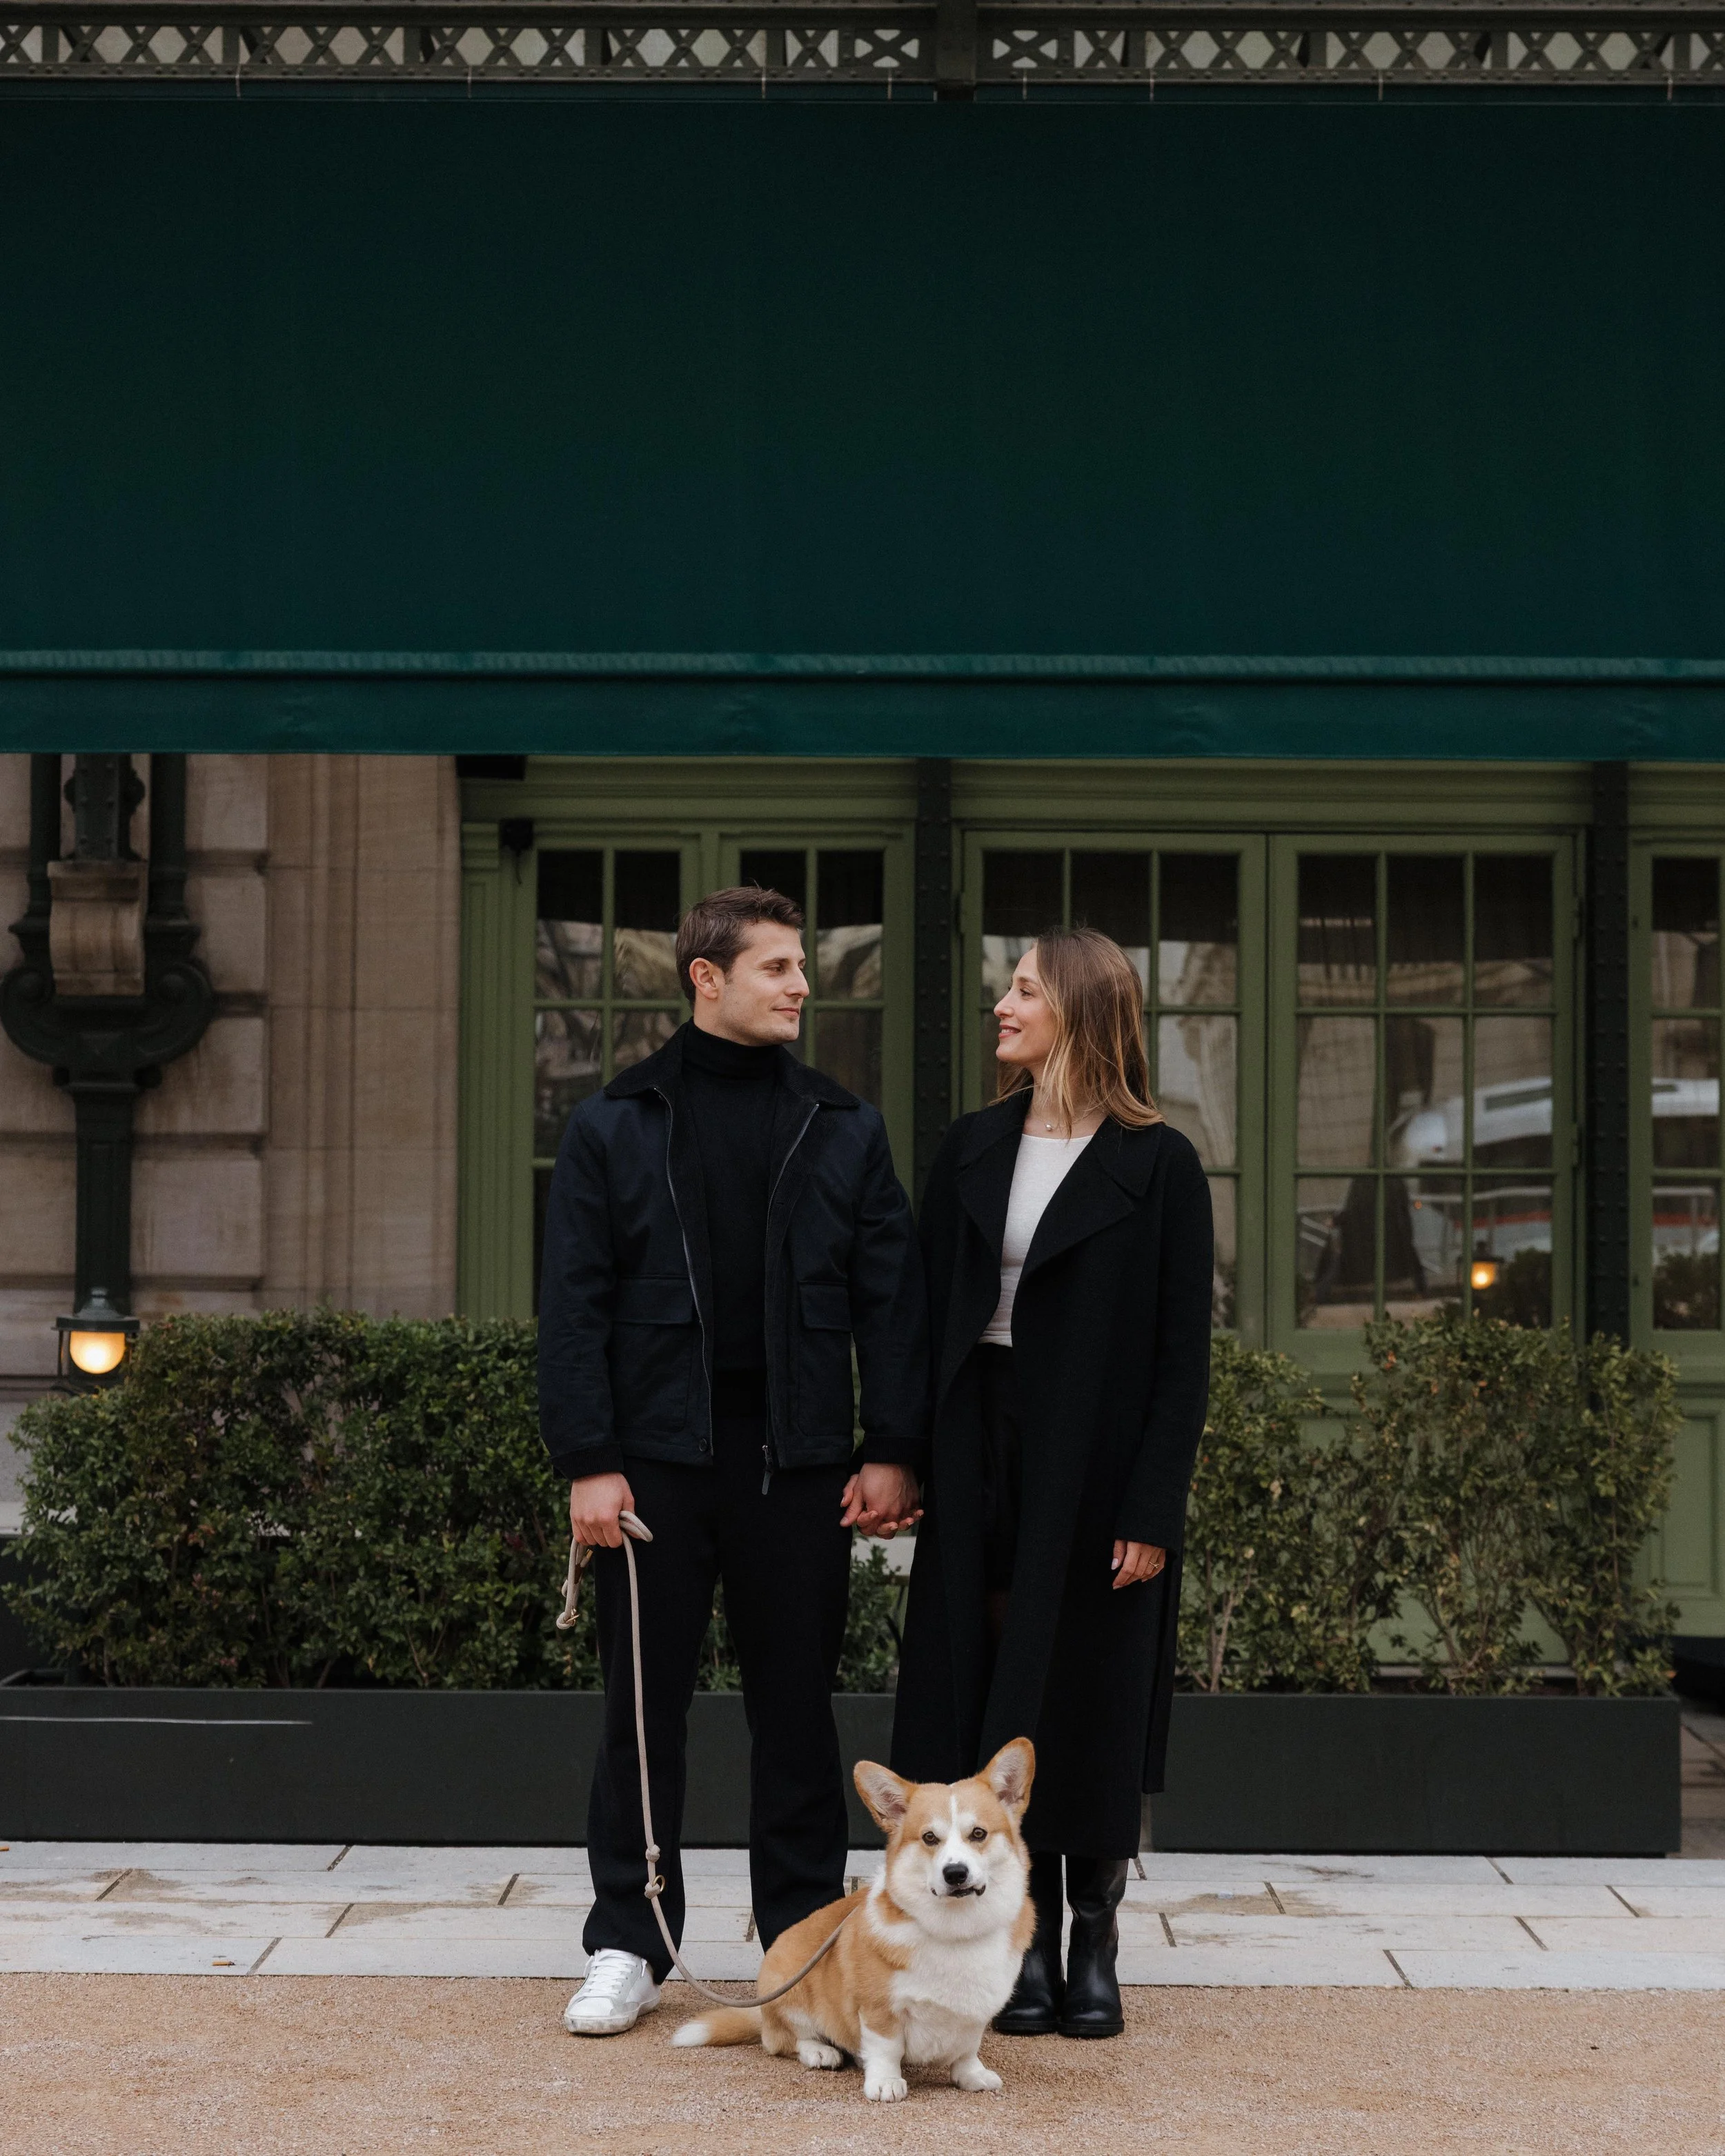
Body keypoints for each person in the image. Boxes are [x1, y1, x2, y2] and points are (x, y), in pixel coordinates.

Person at [540, 884, 927, 2037]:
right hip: (652, 1470)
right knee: (641, 1715)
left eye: (801, 965)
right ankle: (629, 1940)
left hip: (799, 1467)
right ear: (707, 977)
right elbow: (573, 1307)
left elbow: (891, 1305)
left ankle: (802, 1943)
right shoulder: (613, 1122)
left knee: (798, 1713)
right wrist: (588, 1461)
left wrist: (894, 1448)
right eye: (777, 967)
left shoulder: (844, 1126)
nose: (801, 984)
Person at [891, 925, 1212, 2040]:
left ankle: (1095, 1937)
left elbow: (1183, 1355)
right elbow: (924, 1312)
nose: (1002, 1004)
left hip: (1099, 1459)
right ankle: (1008, 1941)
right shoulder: (974, 1145)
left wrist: (1151, 1507)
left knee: (1093, 1688)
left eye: (1022, 988)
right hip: (982, 1436)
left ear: (1075, 1007)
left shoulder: (1158, 1161)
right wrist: (903, 1450)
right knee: (987, 1688)